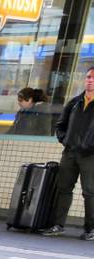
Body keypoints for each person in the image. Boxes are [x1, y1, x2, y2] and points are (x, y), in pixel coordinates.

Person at [43, 67, 94, 241]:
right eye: (88, 77)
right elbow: (60, 125)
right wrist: (65, 140)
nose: (90, 80)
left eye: (93, 78)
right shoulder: (74, 102)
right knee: (63, 188)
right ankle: (58, 225)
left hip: (90, 156)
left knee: (90, 191)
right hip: (70, 153)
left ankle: (90, 229)